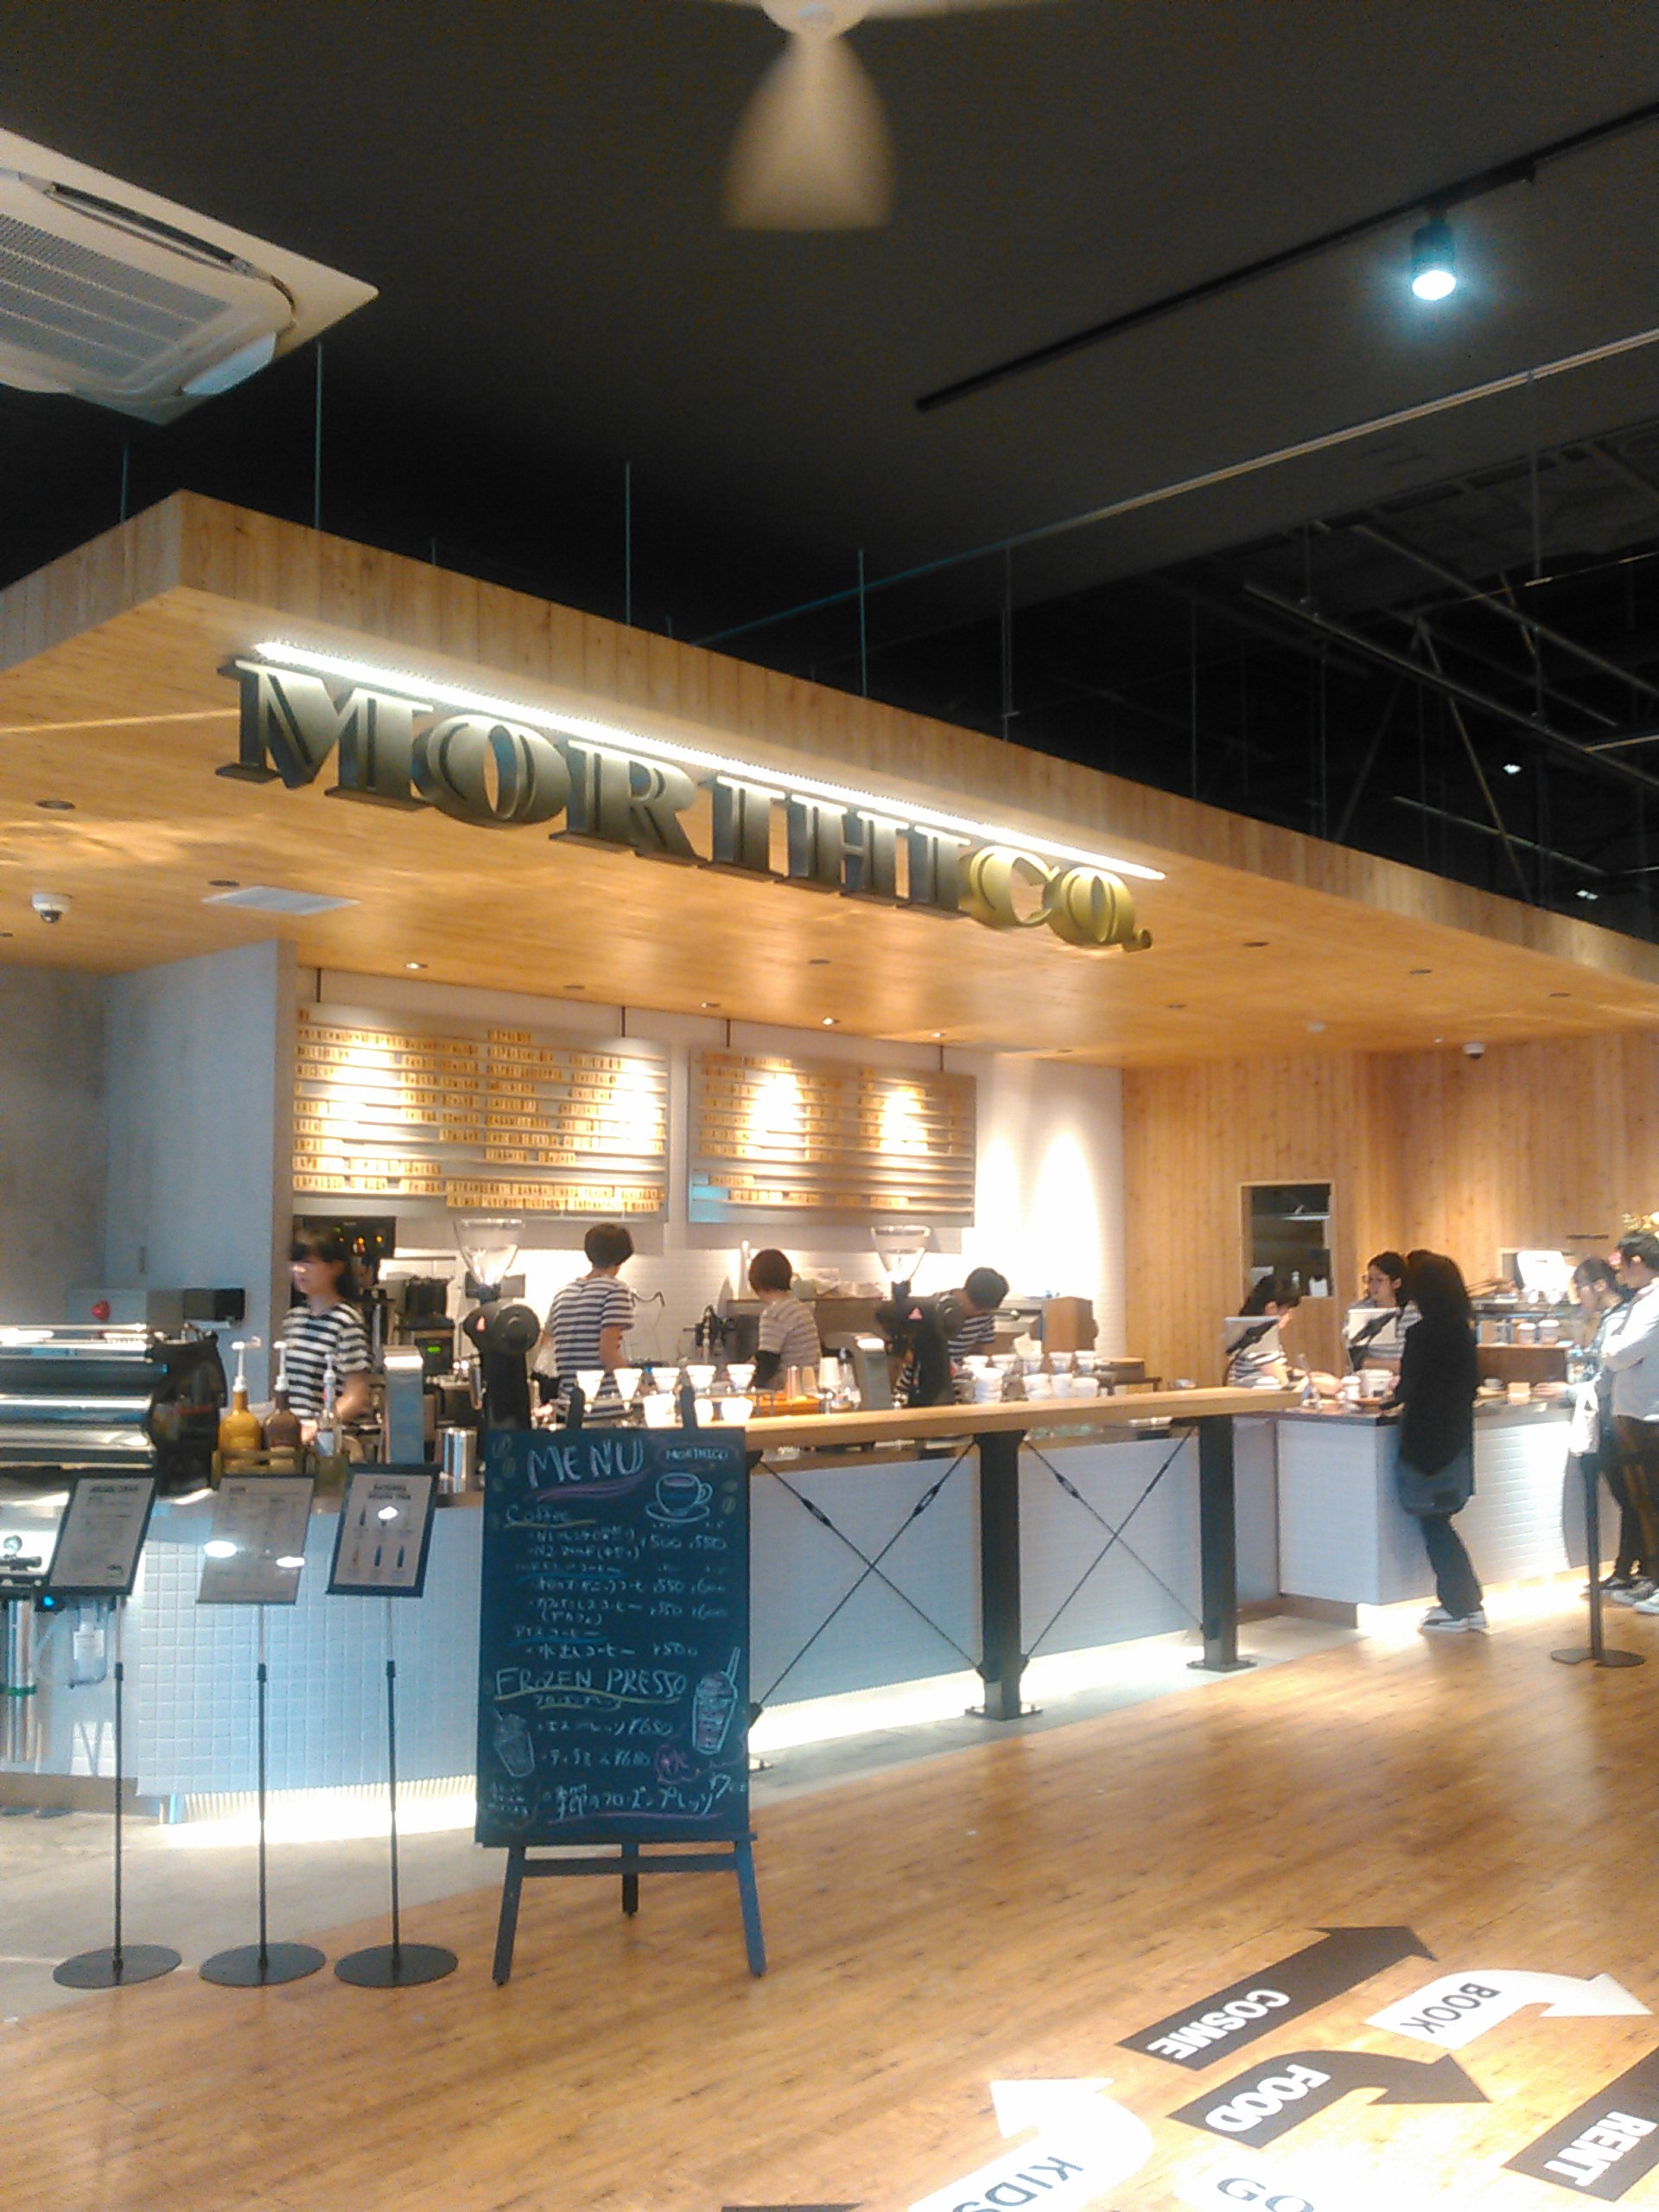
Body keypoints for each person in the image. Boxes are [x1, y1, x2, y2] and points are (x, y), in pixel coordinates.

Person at [1391, 1249, 1484, 1632]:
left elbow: (1407, 1390)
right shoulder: (1463, 1331)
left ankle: (1460, 1605)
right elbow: (1471, 1385)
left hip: (1425, 1445)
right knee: (1440, 1522)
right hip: (1456, 1440)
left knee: (1434, 1525)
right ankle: (1466, 1603)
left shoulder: (1421, 1334)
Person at [1570, 1256, 1646, 1600]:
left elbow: (1606, 1375)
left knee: (1631, 1499)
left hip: (1616, 1418)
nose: (1579, 1296)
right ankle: (1632, 1569)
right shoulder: (1619, 1316)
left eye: (1581, 1288)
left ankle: (1630, 1570)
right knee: (1633, 1499)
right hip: (1622, 1416)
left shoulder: (1620, 1319)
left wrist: (1570, 1392)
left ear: (1600, 1285)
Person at [1599, 1230, 1659, 1614]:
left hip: (1650, 1416)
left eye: (1622, 1265)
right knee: (1643, 1504)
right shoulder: (1641, 1300)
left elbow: (1619, 1352)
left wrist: (1611, 1349)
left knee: (1654, 1501)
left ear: (1637, 1261)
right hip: (1634, 1413)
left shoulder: (1655, 1303)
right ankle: (1652, 1577)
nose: (1619, 1275)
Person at [535, 1223, 635, 1416]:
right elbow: (607, 1353)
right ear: (623, 1256)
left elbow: (547, 1349)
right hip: (604, 1406)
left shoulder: (563, 1293)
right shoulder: (616, 1291)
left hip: (567, 1406)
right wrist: (638, 1385)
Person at [284, 1233, 373, 1426]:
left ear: (336, 1268)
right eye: (295, 1262)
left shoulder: (346, 1321)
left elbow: (356, 1395)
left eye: (309, 1263)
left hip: (329, 1435)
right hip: (295, 1433)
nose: (299, 1269)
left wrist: (319, 1426)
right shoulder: (294, 1318)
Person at [748, 1249, 821, 1389]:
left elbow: (768, 1362)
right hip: (811, 1385)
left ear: (756, 1282)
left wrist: (749, 1386)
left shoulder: (773, 1314)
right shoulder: (801, 1308)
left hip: (788, 1388)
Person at [1224, 1274, 1301, 1389]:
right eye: (1286, 1312)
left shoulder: (1259, 1333)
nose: (1289, 1317)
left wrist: (1311, 1376)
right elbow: (1281, 1379)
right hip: (1260, 1397)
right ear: (1271, 1308)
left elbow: (1281, 1369)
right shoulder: (1256, 1337)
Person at [1344, 1249, 1415, 1372]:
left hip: (1406, 1377)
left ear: (1396, 1283)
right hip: (1371, 1377)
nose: (1372, 1286)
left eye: (1380, 1280)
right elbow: (1357, 1360)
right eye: (1369, 1280)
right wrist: (1396, 1366)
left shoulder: (1413, 1313)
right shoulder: (1358, 1311)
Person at [948, 1266, 1009, 1363]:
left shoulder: (986, 1313)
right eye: (977, 1308)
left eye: (984, 1311)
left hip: (959, 1367)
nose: (979, 1314)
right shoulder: (941, 1306)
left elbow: (983, 1348)